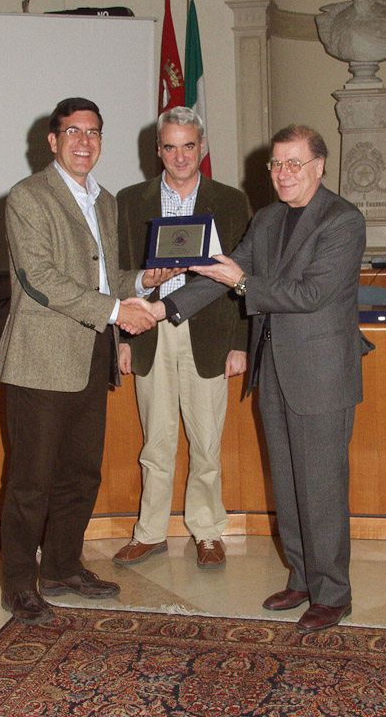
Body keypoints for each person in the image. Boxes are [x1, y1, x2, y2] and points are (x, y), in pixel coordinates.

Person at [153, 124, 373, 632]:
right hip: (273, 370)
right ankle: (302, 577)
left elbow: (311, 294)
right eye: (276, 165)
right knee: (290, 483)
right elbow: (219, 273)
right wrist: (162, 310)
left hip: (320, 374)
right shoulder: (270, 219)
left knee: (321, 486)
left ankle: (333, 593)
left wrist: (244, 281)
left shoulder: (343, 220)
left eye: (294, 164)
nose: (283, 174)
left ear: (319, 166)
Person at [0, 97, 174, 625]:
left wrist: (143, 283)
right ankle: (20, 584)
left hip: (92, 353)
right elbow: (41, 280)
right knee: (31, 479)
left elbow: (108, 278)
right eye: (73, 132)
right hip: (41, 358)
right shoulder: (28, 197)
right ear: (52, 141)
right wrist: (121, 309)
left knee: (80, 473)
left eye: (93, 132)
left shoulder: (107, 201)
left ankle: (64, 566)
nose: (84, 141)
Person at [113, 107, 250, 568]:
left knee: (206, 439)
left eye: (188, 145)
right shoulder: (131, 200)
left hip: (209, 333)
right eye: (169, 147)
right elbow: (116, 275)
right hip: (148, 330)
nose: (179, 156)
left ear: (202, 147)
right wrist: (124, 336)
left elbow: (245, 274)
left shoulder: (230, 201)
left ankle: (208, 531)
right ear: (158, 151)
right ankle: (150, 532)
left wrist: (240, 341)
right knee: (156, 440)